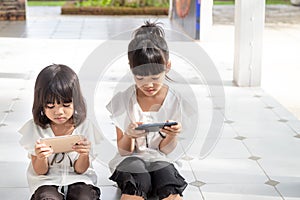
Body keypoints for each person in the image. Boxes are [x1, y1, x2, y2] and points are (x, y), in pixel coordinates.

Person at [106, 21, 188, 200]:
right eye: (140, 77)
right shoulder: (123, 100)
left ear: (167, 66)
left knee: (168, 184)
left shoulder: (175, 100)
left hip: (159, 158)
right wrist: (129, 135)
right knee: (139, 180)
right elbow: (124, 151)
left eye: (155, 77)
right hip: (130, 159)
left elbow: (165, 151)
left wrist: (172, 135)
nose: (148, 84)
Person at [19, 64, 102, 200]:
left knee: (84, 197)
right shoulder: (35, 128)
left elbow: (81, 170)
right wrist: (40, 157)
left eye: (66, 105)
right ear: (41, 104)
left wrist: (84, 155)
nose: (59, 112)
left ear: (76, 102)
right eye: (51, 106)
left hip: (79, 179)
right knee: (47, 197)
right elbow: (41, 171)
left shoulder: (85, 126)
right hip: (46, 182)